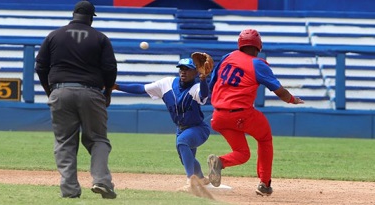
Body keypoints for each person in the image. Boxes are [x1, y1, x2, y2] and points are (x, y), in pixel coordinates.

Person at [35, 0, 117, 199]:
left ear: (74, 15)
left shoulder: (54, 35)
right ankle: (101, 181)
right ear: (91, 18)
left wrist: (50, 91)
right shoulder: (100, 38)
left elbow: (40, 66)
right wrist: (107, 94)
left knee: (64, 142)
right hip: (91, 92)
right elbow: (109, 69)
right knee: (98, 139)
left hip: (60, 91)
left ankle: (70, 190)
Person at [207, 29, 304, 196]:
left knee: (243, 154)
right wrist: (293, 99)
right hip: (241, 114)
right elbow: (280, 92)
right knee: (265, 138)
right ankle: (265, 184)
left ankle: (220, 162)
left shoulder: (227, 57)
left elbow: (211, 85)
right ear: (259, 46)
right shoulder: (258, 64)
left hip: (218, 116)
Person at [113, 57, 211, 190]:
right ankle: (201, 178)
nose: (183, 72)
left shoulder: (196, 87)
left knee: (182, 142)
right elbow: (142, 88)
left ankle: (191, 181)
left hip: (198, 129)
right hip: (181, 128)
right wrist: (117, 86)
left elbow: (204, 94)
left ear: (195, 72)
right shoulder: (167, 83)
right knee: (186, 159)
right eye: (181, 68)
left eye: (187, 69)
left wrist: (204, 79)